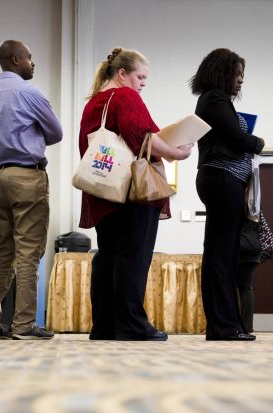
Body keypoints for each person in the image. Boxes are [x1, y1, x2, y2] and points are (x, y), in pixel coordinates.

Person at [79, 48, 192, 342]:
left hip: (103, 191)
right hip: (132, 193)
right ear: (122, 74)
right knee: (133, 256)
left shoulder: (93, 103)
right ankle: (131, 324)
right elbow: (143, 136)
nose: (143, 83)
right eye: (140, 76)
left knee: (108, 258)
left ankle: (104, 326)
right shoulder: (126, 97)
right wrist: (176, 153)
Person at [0, 40, 62, 341]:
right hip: (27, 176)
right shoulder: (29, 92)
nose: (32, 62)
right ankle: (24, 325)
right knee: (28, 254)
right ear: (15, 59)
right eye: (29, 57)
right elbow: (56, 132)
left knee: (3, 252)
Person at [190, 48, 264, 341]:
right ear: (223, 73)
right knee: (221, 256)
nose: (241, 81)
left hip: (221, 180)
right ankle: (223, 326)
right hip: (221, 180)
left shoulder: (213, 100)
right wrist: (256, 142)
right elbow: (236, 137)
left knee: (222, 253)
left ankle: (224, 324)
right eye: (237, 74)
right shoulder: (214, 99)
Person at [237, 211, 273, 333]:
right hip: (253, 246)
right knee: (246, 288)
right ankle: (247, 327)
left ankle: (232, 325)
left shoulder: (233, 200)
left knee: (230, 287)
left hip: (237, 245)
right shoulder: (254, 203)